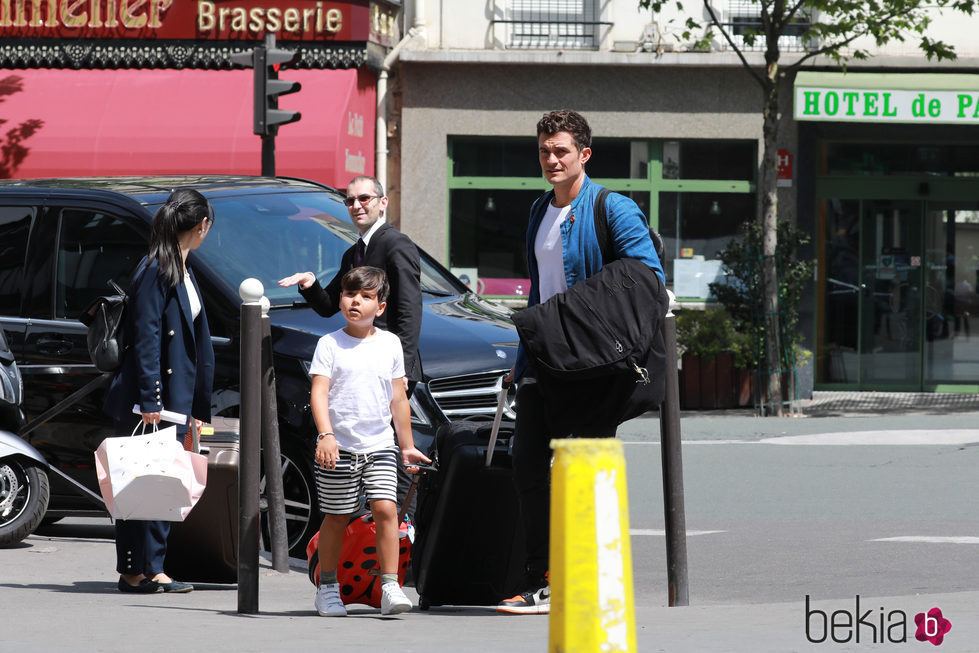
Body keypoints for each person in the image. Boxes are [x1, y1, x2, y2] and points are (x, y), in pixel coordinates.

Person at [497, 110, 665, 615]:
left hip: (591, 362)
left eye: (561, 151)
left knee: (582, 472)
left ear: (584, 155)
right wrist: (522, 359)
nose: (551, 159)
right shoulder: (537, 211)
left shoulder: (611, 208)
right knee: (527, 467)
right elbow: (537, 291)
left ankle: (582, 578)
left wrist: (579, 314)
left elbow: (647, 276)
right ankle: (542, 577)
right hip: (544, 360)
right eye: (545, 151)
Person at [102, 188, 216, 594]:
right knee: (143, 479)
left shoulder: (181, 267)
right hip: (152, 400)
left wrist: (197, 402)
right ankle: (140, 570)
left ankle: (148, 568)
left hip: (176, 396)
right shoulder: (156, 268)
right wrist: (151, 398)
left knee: (161, 480)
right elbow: (146, 335)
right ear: (202, 226)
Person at [309, 266, 431, 617]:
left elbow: (398, 399)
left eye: (365, 297)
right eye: (349, 294)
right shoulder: (330, 344)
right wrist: (326, 435)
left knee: (386, 510)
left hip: (380, 446)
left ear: (380, 306)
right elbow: (319, 392)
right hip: (339, 447)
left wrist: (406, 445)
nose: (355, 302)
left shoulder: (390, 343)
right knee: (337, 516)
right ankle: (328, 588)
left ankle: (390, 585)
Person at [278, 175, 422, 395]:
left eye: (364, 198)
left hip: (389, 364)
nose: (356, 206)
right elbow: (328, 307)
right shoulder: (353, 253)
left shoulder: (396, 244)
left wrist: (402, 369)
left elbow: (409, 309)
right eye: (350, 201)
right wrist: (310, 283)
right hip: (361, 359)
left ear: (383, 203)